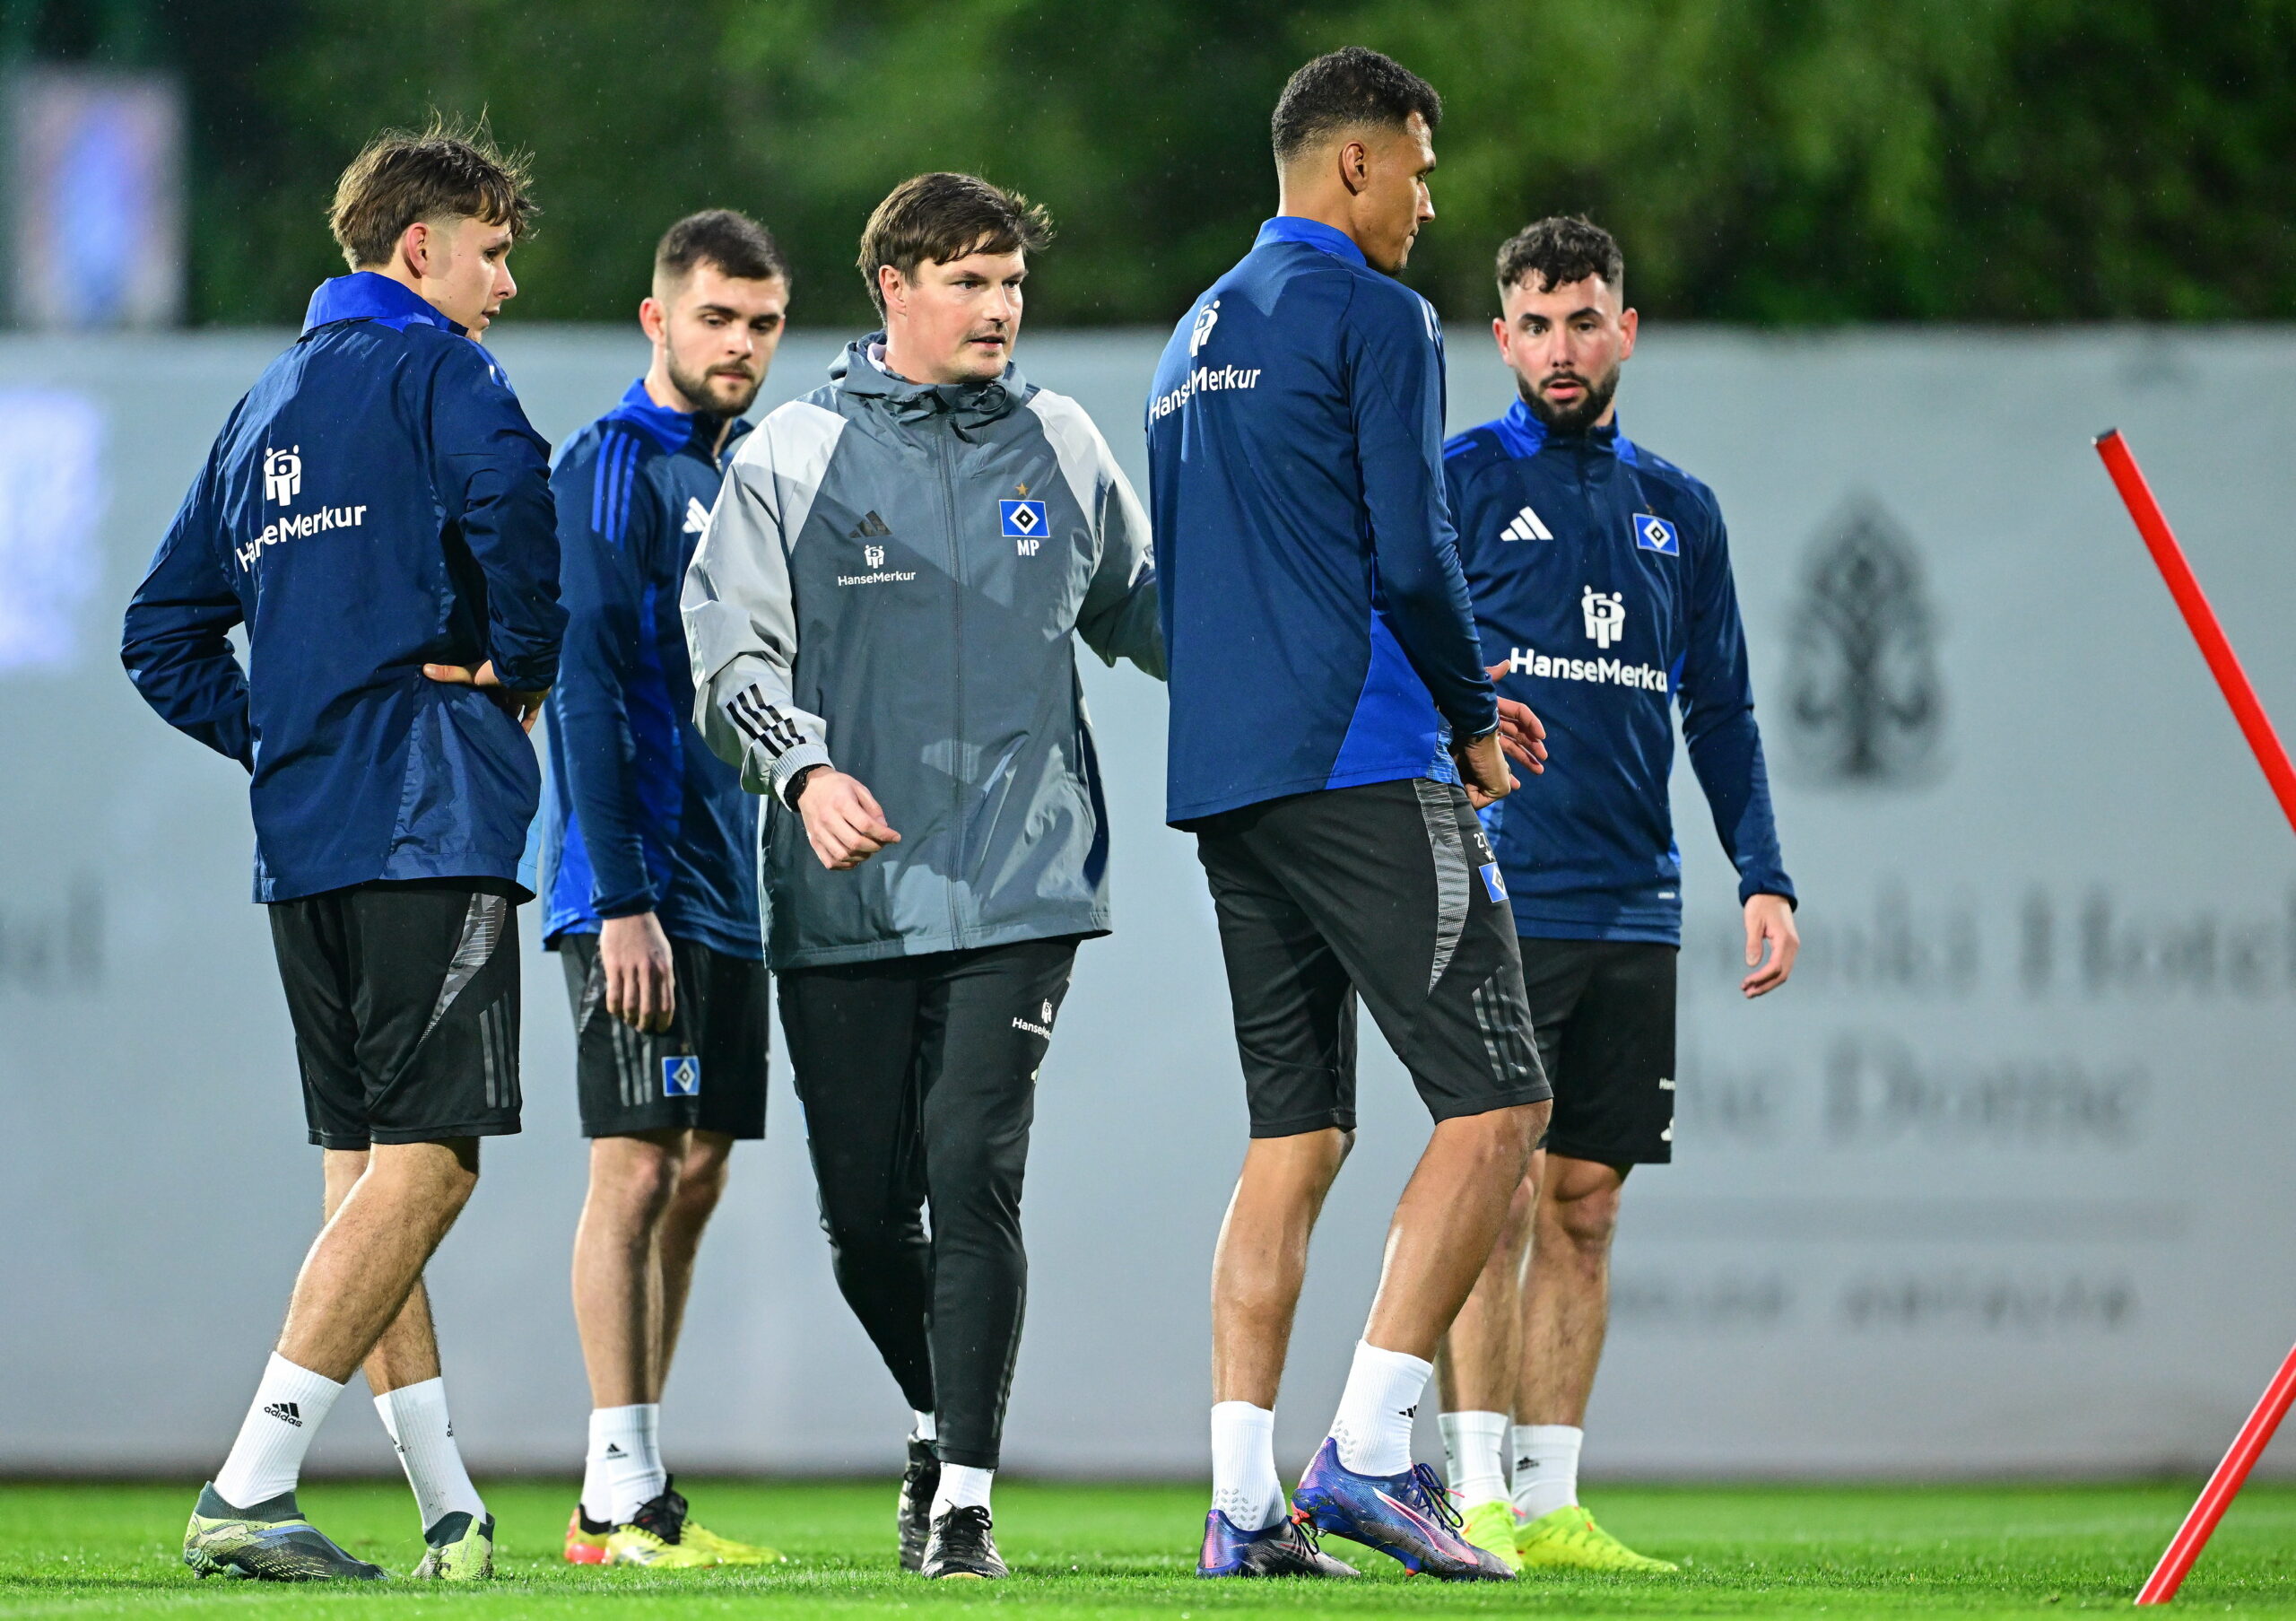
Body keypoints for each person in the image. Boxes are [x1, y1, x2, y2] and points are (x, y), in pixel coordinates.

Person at [683, 170, 1163, 1580]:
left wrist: (1377, 683)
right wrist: (808, 773)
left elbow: (1160, 614)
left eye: (1013, 282)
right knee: (863, 1221)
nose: (1000, 307)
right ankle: (928, 1415)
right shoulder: (789, 454)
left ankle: (962, 1498)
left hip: (1023, 883)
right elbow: (727, 660)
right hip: (845, 890)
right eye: (969, 280)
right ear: (892, 289)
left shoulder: (1064, 443)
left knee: (974, 1173)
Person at [120, 119, 560, 1582]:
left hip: (306, 839)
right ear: (419, 247)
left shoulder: (261, 409)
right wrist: (517, 665)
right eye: (491, 253)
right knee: (431, 1166)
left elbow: (158, 635)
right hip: (431, 815)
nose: (502, 284)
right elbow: (515, 509)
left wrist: (283, 731)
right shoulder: (446, 370)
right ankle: (252, 1483)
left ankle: (447, 1507)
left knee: (364, 1171)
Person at [1145, 48, 1555, 1583]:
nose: (1433, 205)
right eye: (1424, 169)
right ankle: (1374, 1453)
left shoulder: (1189, 340)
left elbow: (1243, 571)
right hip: (1363, 755)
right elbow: (1407, 548)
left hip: (1232, 782)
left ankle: (1241, 1505)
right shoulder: (1375, 314)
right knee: (1504, 1101)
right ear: (1359, 166)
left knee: (1295, 1133)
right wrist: (1462, 720)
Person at [1434, 214, 1798, 1573]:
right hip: (1499, 888)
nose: (1561, 347)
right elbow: (1401, 662)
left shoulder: (1679, 510)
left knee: (1587, 1199)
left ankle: (1551, 1503)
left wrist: (1762, 872)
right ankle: (1470, 1495)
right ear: (1503, 338)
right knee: (1498, 1193)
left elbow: (1725, 711)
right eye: (1536, 322)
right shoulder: (1458, 484)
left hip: (1636, 899)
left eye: (1585, 319)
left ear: (1626, 330)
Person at [540, 211, 790, 1570]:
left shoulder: (751, 474)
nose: (740, 344)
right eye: (716, 319)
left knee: (695, 1173)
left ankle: (632, 1476)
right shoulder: (607, 467)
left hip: (727, 880)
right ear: (659, 321)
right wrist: (621, 896)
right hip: (628, 884)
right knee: (633, 1168)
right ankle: (616, 1492)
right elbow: (583, 683)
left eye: (760, 323)